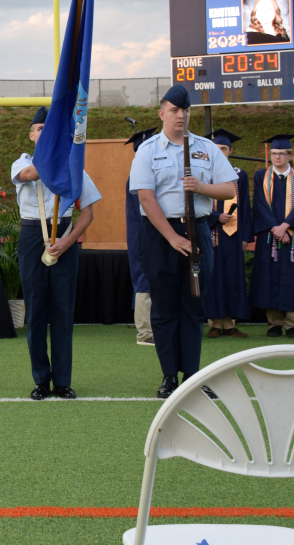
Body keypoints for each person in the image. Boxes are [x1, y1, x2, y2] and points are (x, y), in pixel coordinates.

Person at [129, 84, 236, 399]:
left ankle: (191, 376)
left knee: (193, 305)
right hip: (160, 235)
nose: (181, 115)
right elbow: (146, 198)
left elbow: (229, 189)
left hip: (197, 230)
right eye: (174, 110)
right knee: (164, 307)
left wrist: (201, 187)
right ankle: (169, 376)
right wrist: (172, 237)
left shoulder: (206, 148)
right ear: (161, 114)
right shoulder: (148, 150)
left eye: (185, 110)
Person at [11, 107, 101, 400]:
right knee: (36, 311)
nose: (44, 133)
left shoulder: (74, 165)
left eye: (49, 129)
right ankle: (41, 380)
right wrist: (55, 154)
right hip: (32, 236)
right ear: (31, 135)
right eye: (40, 129)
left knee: (63, 311)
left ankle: (62, 381)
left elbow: (88, 213)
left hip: (64, 235)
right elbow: (29, 174)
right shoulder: (22, 162)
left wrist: (68, 242)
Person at [249, 135, 294, 339]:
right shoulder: (261, 176)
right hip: (269, 236)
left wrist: (286, 226)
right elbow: (259, 204)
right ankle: (274, 323)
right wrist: (275, 228)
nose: (277, 157)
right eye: (274, 153)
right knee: (269, 276)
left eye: (281, 153)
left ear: (290, 155)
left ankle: (292, 324)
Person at [204, 129, 252, 338]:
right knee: (213, 277)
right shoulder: (204, 173)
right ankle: (214, 323)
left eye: (224, 148)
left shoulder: (240, 175)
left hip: (233, 235)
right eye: (216, 149)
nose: (220, 152)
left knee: (232, 277)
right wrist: (215, 216)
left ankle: (229, 323)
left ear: (231, 151)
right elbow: (197, 202)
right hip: (211, 233)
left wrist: (245, 236)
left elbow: (246, 207)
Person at [124, 128, 157, 346]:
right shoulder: (138, 177)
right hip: (143, 236)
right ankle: (145, 332)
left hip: (152, 234)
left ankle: (156, 328)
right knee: (144, 281)